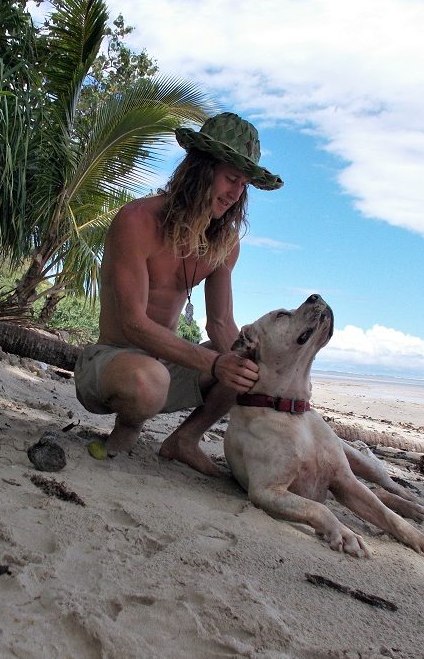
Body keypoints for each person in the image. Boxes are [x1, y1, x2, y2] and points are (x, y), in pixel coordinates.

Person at [74, 112, 283, 476]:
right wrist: (216, 364)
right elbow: (134, 324)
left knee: (247, 365)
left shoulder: (224, 244)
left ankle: (185, 440)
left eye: (244, 185)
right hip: (111, 362)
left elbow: (220, 324)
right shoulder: (137, 220)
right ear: (201, 170)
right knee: (150, 379)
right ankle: (127, 427)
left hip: (167, 366)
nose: (235, 194)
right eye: (231, 178)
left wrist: (258, 374)